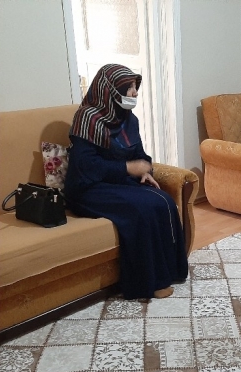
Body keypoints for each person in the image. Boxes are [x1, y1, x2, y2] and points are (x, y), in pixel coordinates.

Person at [64, 64, 188, 300]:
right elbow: (86, 166)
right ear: (110, 89)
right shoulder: (87, 118)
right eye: (129, 87)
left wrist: (145, 170)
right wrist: (127, 168)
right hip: (87, 188)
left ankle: (172, 271)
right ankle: (147, 284)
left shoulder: (128, 119)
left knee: (163, 200)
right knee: (142, 209)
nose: (135, 92)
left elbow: (139, 154)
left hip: (117, 181)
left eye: (134, 86)